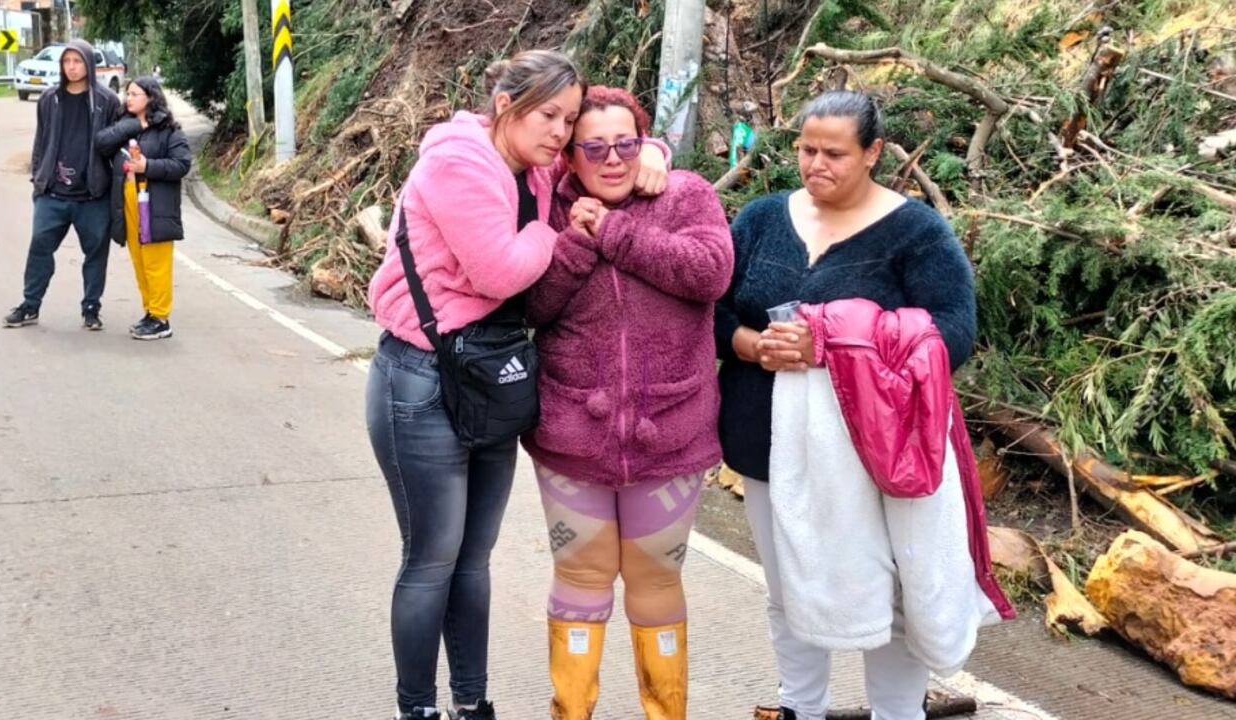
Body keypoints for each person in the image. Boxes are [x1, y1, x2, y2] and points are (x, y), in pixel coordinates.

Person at [364, 51, 668, 720]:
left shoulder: (530, 164)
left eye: (567, 119)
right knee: (432, 560)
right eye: (549, 115)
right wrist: (542, 231)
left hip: (491, 376)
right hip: (419, 378)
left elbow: (605, 154)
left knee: (474, 560)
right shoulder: (459, 161)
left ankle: (471, 703)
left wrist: (659, 151)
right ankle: (415, 709)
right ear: (506, 104)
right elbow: (503, 271)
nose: (561, 134)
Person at [715, 91, 1013, 720]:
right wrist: (749, 345)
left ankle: (896, 713)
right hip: (763, 435)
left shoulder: (916, 232)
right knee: (787, 584)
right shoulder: (763, 219)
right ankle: (797, 706)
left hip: (875, 448)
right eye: (805, 149)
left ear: (874, 152)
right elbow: (710, 311)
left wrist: (833, 344)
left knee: (893, 591)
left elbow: (952, 331)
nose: (815, 164)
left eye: (834, 153)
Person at [521, 86, 732, 720]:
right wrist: (579, 245)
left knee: (656, 579)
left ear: (644, 144)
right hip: (570, 433)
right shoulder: (545, 208)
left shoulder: (685, 194)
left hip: (671, 432)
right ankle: (571, 711)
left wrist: (614, 231)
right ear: (569, 157)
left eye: (625, 143)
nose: (611, 159)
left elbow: (710, 272)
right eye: (593, 146)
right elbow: (531, 306)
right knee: (581, 575)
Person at [4, 40, 123, 331]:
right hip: (52, 195)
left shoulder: (107, 101)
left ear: (89, 64)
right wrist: (38, 179)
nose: (72, 67)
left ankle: (91, 308)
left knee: (95, 254)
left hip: (93, 196)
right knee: (39, 249)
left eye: (77, 61)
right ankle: (30, 304)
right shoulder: (49, 99)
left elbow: (117, 146)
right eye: (67, 61)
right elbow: (40, 141)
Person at [94, 76, 191, 340]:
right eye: (128, 93)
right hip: (128, 204)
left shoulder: (169, 130)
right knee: (139, 262)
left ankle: (161, 318)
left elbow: (182, 164)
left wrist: (147, 167)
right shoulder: (126, 126)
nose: (129, 98)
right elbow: (101, 144)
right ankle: (150, 312)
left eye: (135, 94)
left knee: (155, 263)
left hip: (155, 206)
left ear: (151, 97)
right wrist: (131, 125)